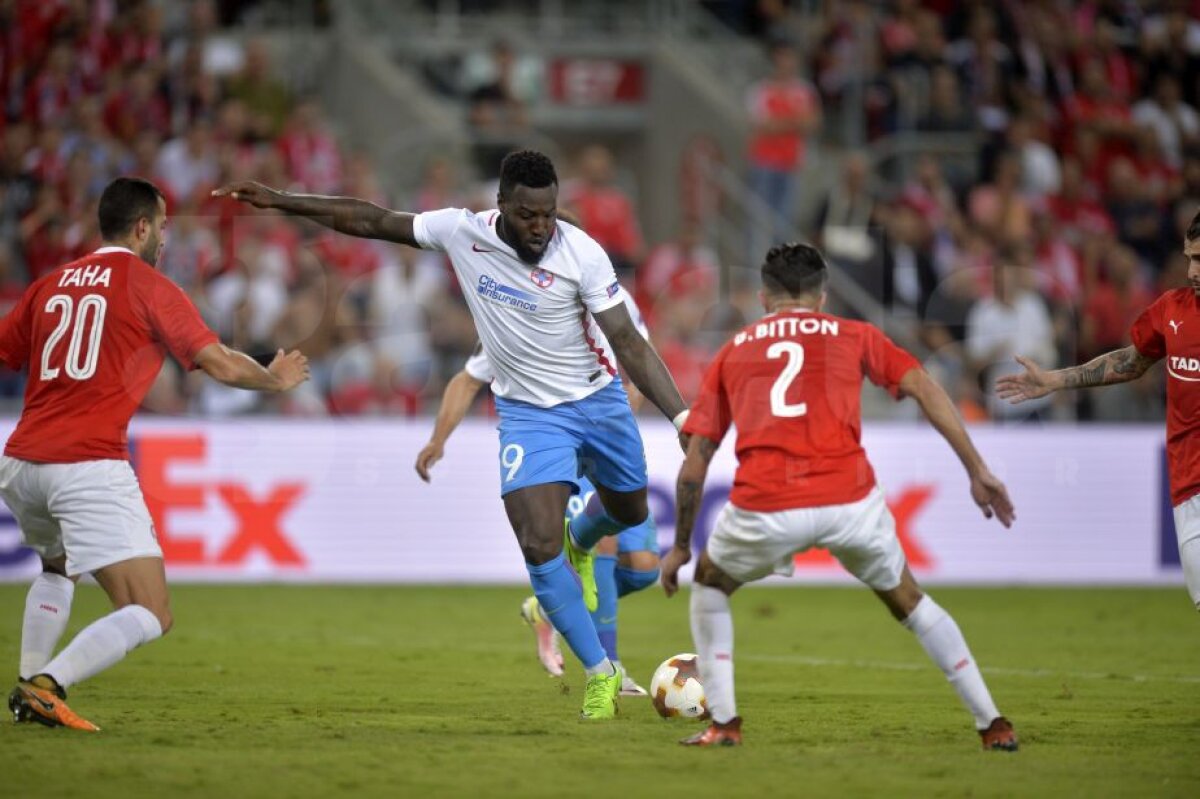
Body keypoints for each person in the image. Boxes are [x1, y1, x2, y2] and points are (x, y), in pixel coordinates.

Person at [214, 149, 689, 720]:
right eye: (528, 215)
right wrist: (283, 200)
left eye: (548, 214)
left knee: (628, 511)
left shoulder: (582, 252)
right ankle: (599, 671)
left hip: (597, 400)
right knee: (537, 544)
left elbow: (629, 343)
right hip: (529, 414)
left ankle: (581, 541)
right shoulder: (462, 232)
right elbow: (371, 219)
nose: (541, 227)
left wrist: (682, 419)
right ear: (501, 205)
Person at [660, 242, 1018, 750]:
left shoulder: (734, 349)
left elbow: (695, 465)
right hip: (849, 501)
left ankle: (724, 724)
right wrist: (977, 470)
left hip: (766, 504)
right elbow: (926, 389)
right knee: (910, 601)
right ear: (822, 297)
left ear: (763, 297)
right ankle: (993, 724)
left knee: (710, 586)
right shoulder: (856, 335)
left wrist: (680, 547)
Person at [0, 177, 310, 731]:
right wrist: (274, 379)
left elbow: (8, 350)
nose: (165, 239)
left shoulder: (50, 284)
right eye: (163, 227)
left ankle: (28, 687)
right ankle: (45, 686)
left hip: (21, 463)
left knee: (57, 566)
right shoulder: (147, 286)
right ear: (142, 228)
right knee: (150, 610)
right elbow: (218, 362)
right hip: (86, 463)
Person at [415, 286, 660, 697]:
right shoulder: (515, 312)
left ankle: (549, 607)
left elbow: (638, 363)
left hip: (606, 431)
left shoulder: (613, 296)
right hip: (557, 441)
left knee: (643, 568)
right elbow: (469, 378)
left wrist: (617, 426)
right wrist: (438, 439)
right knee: (604, 543)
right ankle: (610, 667)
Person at [997, 210, 1200, 609]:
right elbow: (1130, 362)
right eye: (1190, 259)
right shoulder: (1172, 311)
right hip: (1190, 487)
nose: (1193, 271)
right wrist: (1055, 380)